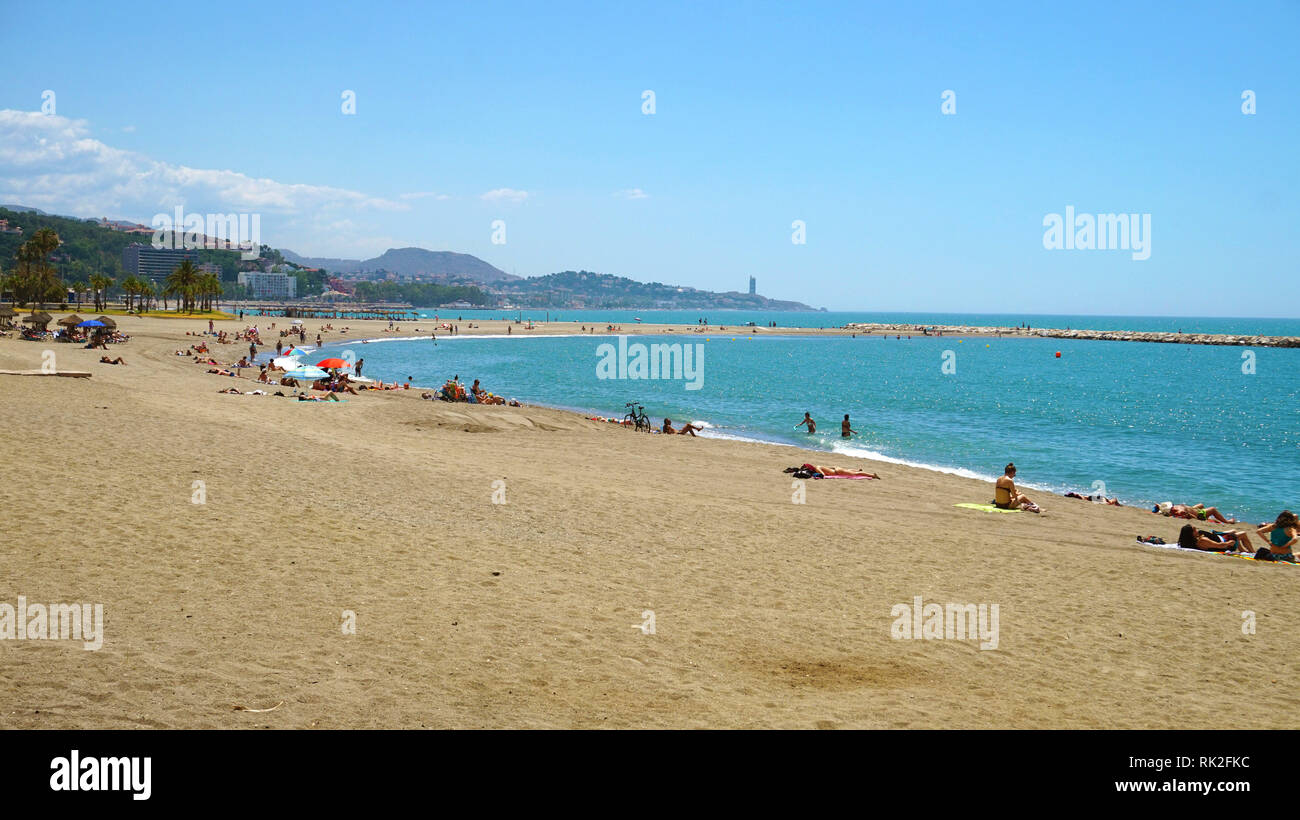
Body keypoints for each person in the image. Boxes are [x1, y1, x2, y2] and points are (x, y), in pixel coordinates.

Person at [1177, 524, 1253, 553]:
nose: (1196, 530)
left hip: (1218, 536)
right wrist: (1229, 543)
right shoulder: (1202, 541)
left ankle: (1242, 550)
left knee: (1234, 531)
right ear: (1191, 534)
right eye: (1194, 530)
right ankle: (1253, 552)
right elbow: (1219, 545)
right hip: (1225, 542)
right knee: (1243, 534)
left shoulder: (1194, 540)